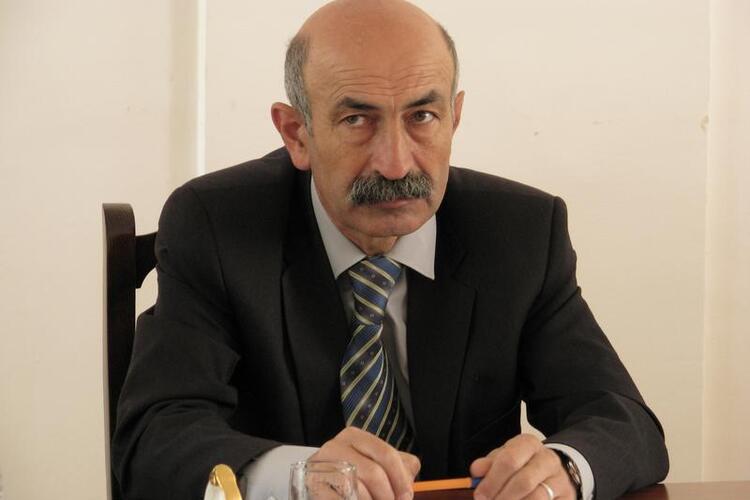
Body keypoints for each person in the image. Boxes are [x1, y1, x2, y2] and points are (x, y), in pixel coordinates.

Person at [112, 1, 669, 499]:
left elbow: (623, 422)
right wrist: (297, 477)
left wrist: (564, 469)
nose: (397, 164)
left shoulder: (519, 232)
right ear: (296, 134)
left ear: (454, 117)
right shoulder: (217, 225)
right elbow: (153, 437)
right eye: (357, 120)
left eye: (422, 116)